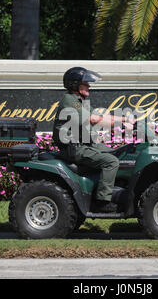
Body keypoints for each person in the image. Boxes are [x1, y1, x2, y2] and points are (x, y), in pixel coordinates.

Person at [53, 67, 135, 212]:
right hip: (75, 149)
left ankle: (118, 190)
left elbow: (102, 116)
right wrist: (122, 123)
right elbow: (93, 119)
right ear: (75, 85)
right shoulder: (70, 101)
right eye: (86, 83)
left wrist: (126, 119)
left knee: (118, 153)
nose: (89, 86)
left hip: (86, 144)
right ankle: (102, 202)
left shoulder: (78, 101)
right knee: (111, 161)